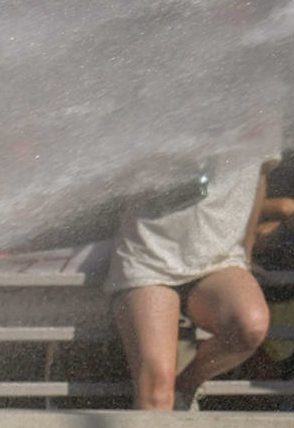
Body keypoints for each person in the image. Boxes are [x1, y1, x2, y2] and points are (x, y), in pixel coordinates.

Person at [112, 99, 279, 411]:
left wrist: (246, 253)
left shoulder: (264, 96)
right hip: (151, 251)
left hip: (219, 259)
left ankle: (187, 387)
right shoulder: (170, 87)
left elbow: (259, 180)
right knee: (156, 392)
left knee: (251, 326)